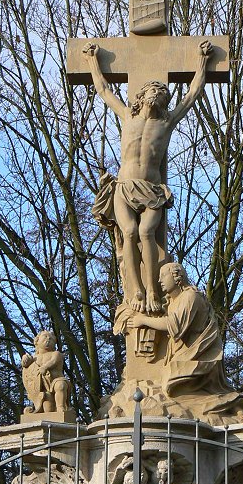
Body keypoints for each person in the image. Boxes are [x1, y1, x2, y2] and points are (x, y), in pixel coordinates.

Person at [84, 41, 213, 314]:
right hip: (124, 187)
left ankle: (153, 288)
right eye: (153, 90)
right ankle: (137, 290)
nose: (157, 92)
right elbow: (104, 90)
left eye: (161, 91)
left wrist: (201, 60)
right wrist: (93, 61)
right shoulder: (127, 118)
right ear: (142, 97)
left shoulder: (166, 122)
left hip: (152, 190)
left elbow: (192, 94)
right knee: (129, 233)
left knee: (146, 233)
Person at [127, 262, 243, 423]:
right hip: (185, 355)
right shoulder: (174, 301)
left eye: (163, 276)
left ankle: (233, 404)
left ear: (177, 277)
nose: (159, 281)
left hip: (199, 357)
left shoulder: (191, 296)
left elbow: (174, 325)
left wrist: (143, 320)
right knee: (170, 386)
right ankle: (230, 406)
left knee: (171, 385)